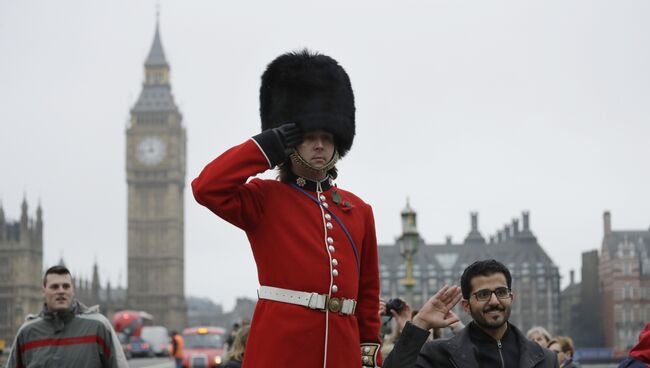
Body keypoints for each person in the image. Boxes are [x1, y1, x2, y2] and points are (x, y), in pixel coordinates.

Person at [192, 49, 382, 367]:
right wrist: (265, 147)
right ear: (292, 143)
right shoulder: (264, 198)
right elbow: (206, 187)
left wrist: (367, 354)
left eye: (326, 136)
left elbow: (367, 294)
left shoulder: (358, 210)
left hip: (342, 351)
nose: (319, 144)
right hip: (281, 349)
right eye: (308, 137)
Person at [384, 259, 559, 368]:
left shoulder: (545, 359)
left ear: (511, 297)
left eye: (501, 292)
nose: (494, 301)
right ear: (466, 306)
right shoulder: (438, 355)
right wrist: (420, 322)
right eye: (483, 294)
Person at [5, 265, 128, 368]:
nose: (61, 291)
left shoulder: (98, 327)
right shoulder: (27, 333)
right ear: (43, 291)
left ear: (73, 290)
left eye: (66, 286)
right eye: (54, 287)